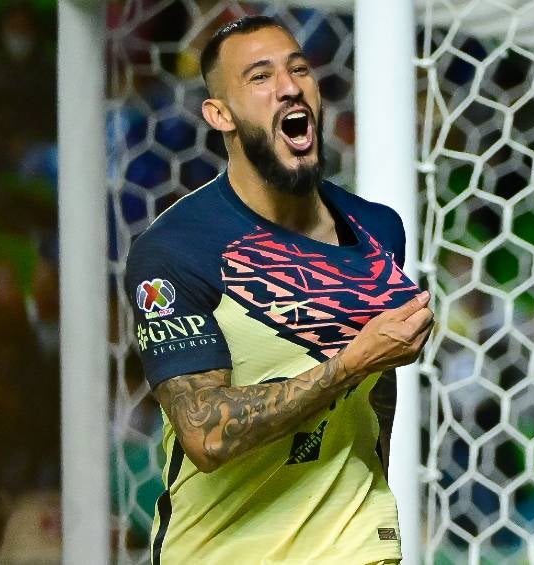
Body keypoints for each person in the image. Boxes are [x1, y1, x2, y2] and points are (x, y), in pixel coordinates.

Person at [123, 15, 433, 565]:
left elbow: (380, 392)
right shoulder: (177, 249)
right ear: (220, 114)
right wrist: (353, 361)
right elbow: (207, 435)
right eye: (260, 78)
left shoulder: (378, 230)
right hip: (225, 550)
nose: (290, 86)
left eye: (299, 70)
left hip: (355, 545)